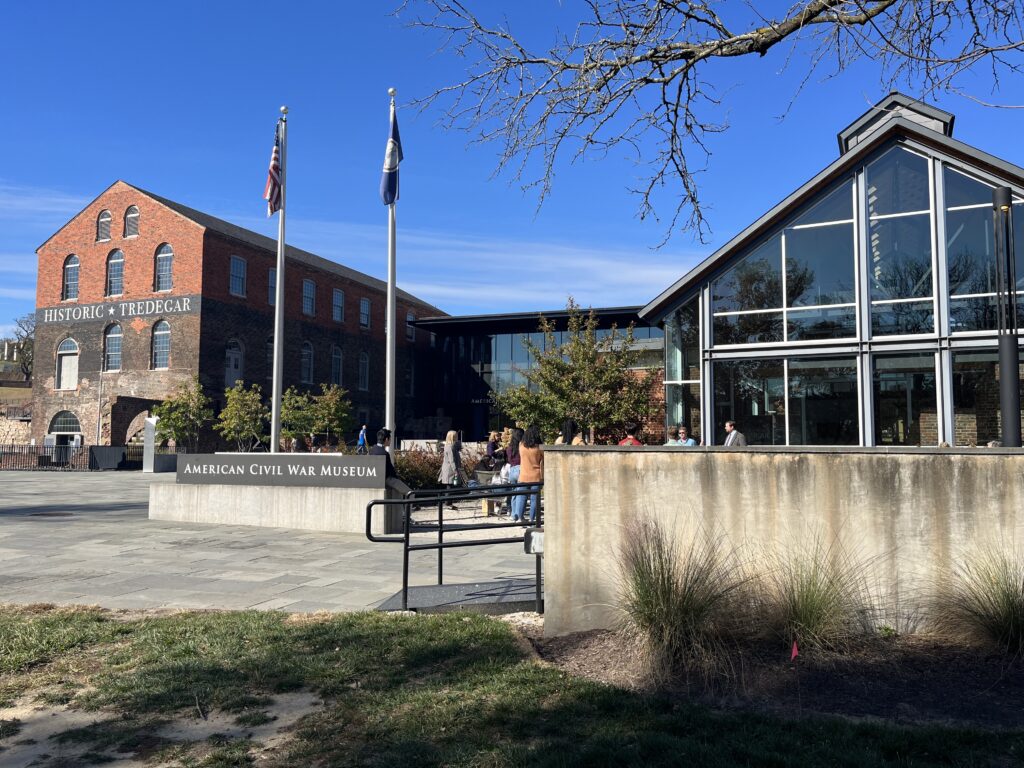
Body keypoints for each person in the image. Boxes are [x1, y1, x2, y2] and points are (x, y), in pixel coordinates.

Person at [515, 425, 544, 523]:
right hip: (536, 475)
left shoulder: (521, 445)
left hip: (523, 475)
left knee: (522, 497)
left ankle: (520, 517)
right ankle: (532, 519)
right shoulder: (539, 447)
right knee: (534, 499)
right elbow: (544, 459)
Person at [504, 427, 524, 516]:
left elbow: (508, 459)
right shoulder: (522, 447)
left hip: (512, 469)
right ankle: (519, 515)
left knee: (514, 493)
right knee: (521, 493)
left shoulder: (509, 447)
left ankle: (513, 514)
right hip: (520, 469)